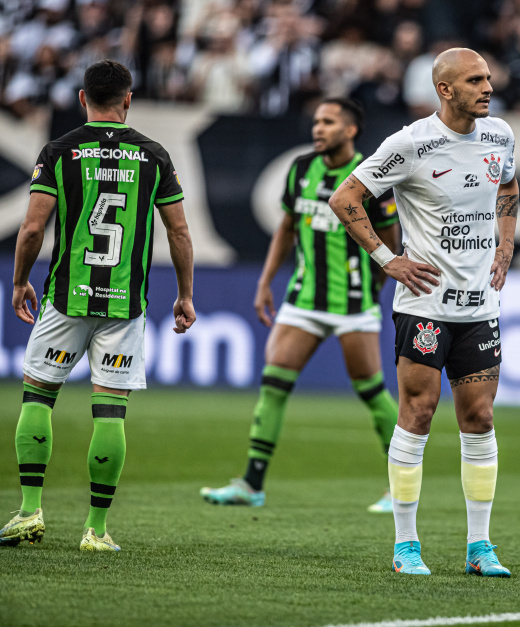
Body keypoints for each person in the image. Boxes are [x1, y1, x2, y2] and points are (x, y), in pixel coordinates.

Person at [328, 48, 518, 577]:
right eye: (474, 80)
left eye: (488, 78)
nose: (487, 87)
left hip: (479, 307)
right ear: (445, 89)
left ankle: (480, 547)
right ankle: (406, 545)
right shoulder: (411, 143)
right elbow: (346, 198)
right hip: (425, 309)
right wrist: (388, 259)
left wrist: (505, 247)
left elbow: (507, 184)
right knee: (417, 413)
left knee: (479, 418)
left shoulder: (499, 134)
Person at [0, 60, 195, 552]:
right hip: (124, 304)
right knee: (110, 412)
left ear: (83, 98)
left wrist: (20, 280)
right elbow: (178, 230)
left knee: (38, 397)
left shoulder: (60, 150)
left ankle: (28, 511)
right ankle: (96, 529)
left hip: (66, 296)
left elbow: (30, 229)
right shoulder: (154, 155)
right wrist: (185, 294)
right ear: (128, 100)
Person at [200, 98, 401, 512]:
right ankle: (252, 484)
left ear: (350, 131)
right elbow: (287, 227)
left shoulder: (373, 176)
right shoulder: (300, 169)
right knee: (273, 385)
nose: (318, 128)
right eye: (316, 121)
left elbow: (390, 240)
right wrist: (265, 282)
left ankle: (399, 487)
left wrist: (374, 286)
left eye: (328, 122)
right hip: (303, 298)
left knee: (372, 393)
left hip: (353, 303)